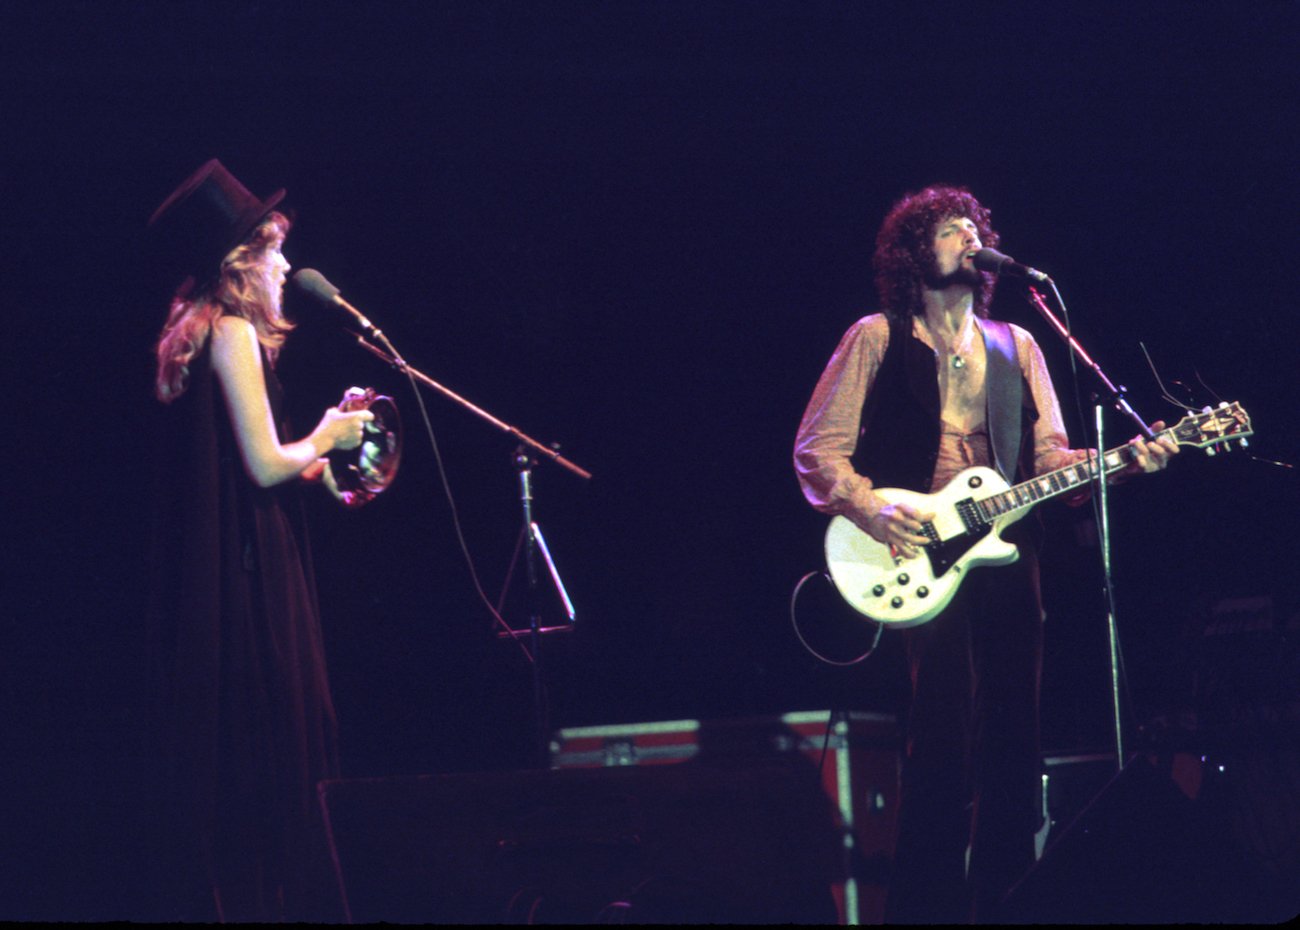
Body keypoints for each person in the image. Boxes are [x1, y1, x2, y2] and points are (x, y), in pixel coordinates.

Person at [792, 185, 1177, 923]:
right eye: (947, 229)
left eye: (973, 227)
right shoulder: (877, 334)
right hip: (916, 548)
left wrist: (1123, 462)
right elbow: (818, 450)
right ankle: (925, 909)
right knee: (940, 730)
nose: (966, 236)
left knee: (1015, 728)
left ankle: (1007, 898)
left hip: (1006, 550)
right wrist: (873, 509)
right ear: (913, 252)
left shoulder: (1018, 344)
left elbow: (1049, 463)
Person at [146, 159, 372, 922]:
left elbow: (245, 473)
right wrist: (328, 435)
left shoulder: (201, 332)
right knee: (279, 756)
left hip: (237, 563)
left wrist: (318, 462)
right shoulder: (233, 331)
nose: (284, 264)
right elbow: (265, 463)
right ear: (241, 262)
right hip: (253, 578)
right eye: (272, 249)